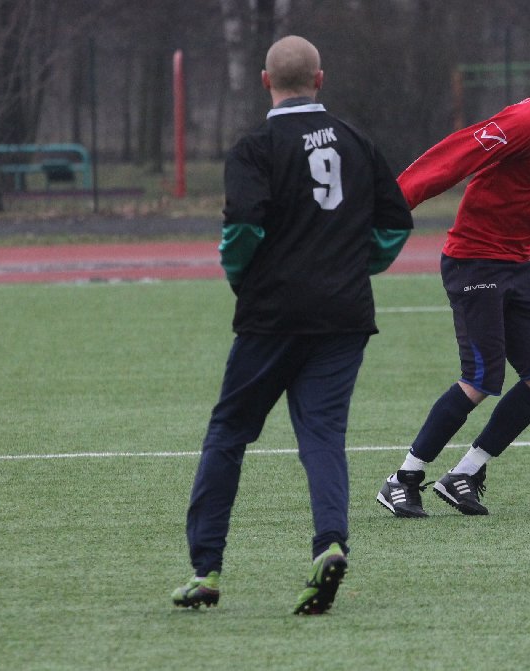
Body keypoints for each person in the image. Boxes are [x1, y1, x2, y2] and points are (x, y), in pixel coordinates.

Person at [171, 35, 413, 615]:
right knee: (323, 436)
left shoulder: (255, 147)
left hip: (272, 316)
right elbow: (394, 225)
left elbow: (242, 230)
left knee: (228, 434)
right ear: (320, 79)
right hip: (345, 316)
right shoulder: (355, 141)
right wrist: (352, 267)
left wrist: (243, 279)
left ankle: (206, 570)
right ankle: (329, 544)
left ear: (265, 81)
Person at [377, 37, 530, 517]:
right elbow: (453, 157)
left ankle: (465, 473)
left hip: (516, 265)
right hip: (473, 260)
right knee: (480, 378)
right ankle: (402, 479)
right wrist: (389, 205)